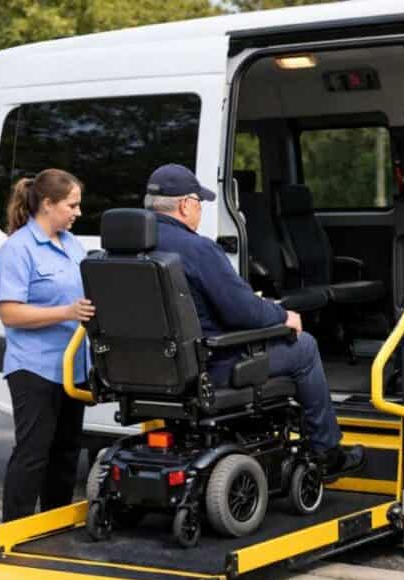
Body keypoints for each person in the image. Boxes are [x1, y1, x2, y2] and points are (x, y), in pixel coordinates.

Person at [144, 163, 363, 481]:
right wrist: (281, 315)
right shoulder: (197, 249)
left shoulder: (120, 252)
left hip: (147, 371)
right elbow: (242, 313)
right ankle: (325, 451)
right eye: (200, 203)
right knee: (304, 346)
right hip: (212, 365)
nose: (202, 211)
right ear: (184, 205)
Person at [0, 169, 94, 522]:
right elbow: (9, 313)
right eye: (72, 205)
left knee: (66, 453)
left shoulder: (72, 244)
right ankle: (15, 530)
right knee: (33, 453)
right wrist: (65, 311)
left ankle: (54, 525)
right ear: (48, 204)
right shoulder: (17, 249)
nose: (78, 212)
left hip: (72, 368)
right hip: (34, 368)